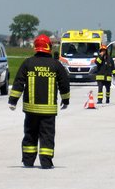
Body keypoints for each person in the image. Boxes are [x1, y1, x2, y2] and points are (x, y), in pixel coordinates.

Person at [10, 33, 73, 167]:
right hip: (48, 111)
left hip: (30, 110)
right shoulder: (56, 65)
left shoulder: (28, 63)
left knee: (30, 135)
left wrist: (13, 101)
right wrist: (65, 100)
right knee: (47, 136)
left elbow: (18, 83)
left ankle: (28, 161)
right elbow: (64, 84)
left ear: (35, 47)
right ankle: (45, 162)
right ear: (48, 47)